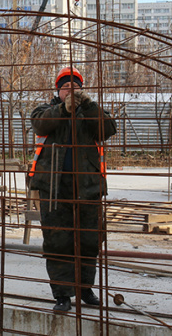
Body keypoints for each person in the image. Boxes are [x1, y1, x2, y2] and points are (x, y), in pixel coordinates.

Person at [29, 66, 117, 312]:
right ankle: (62, 294)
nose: (71, 90)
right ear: (58, 90)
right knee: (58, 242)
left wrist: (87, 106)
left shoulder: (90, 112)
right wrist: (62, 109)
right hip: (54, 188)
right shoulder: (45, 110)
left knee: (88, 241)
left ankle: (84, 288)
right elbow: (40, 125)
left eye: (75, 87)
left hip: (87, 189)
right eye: (66, 86)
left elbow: (108, 129)